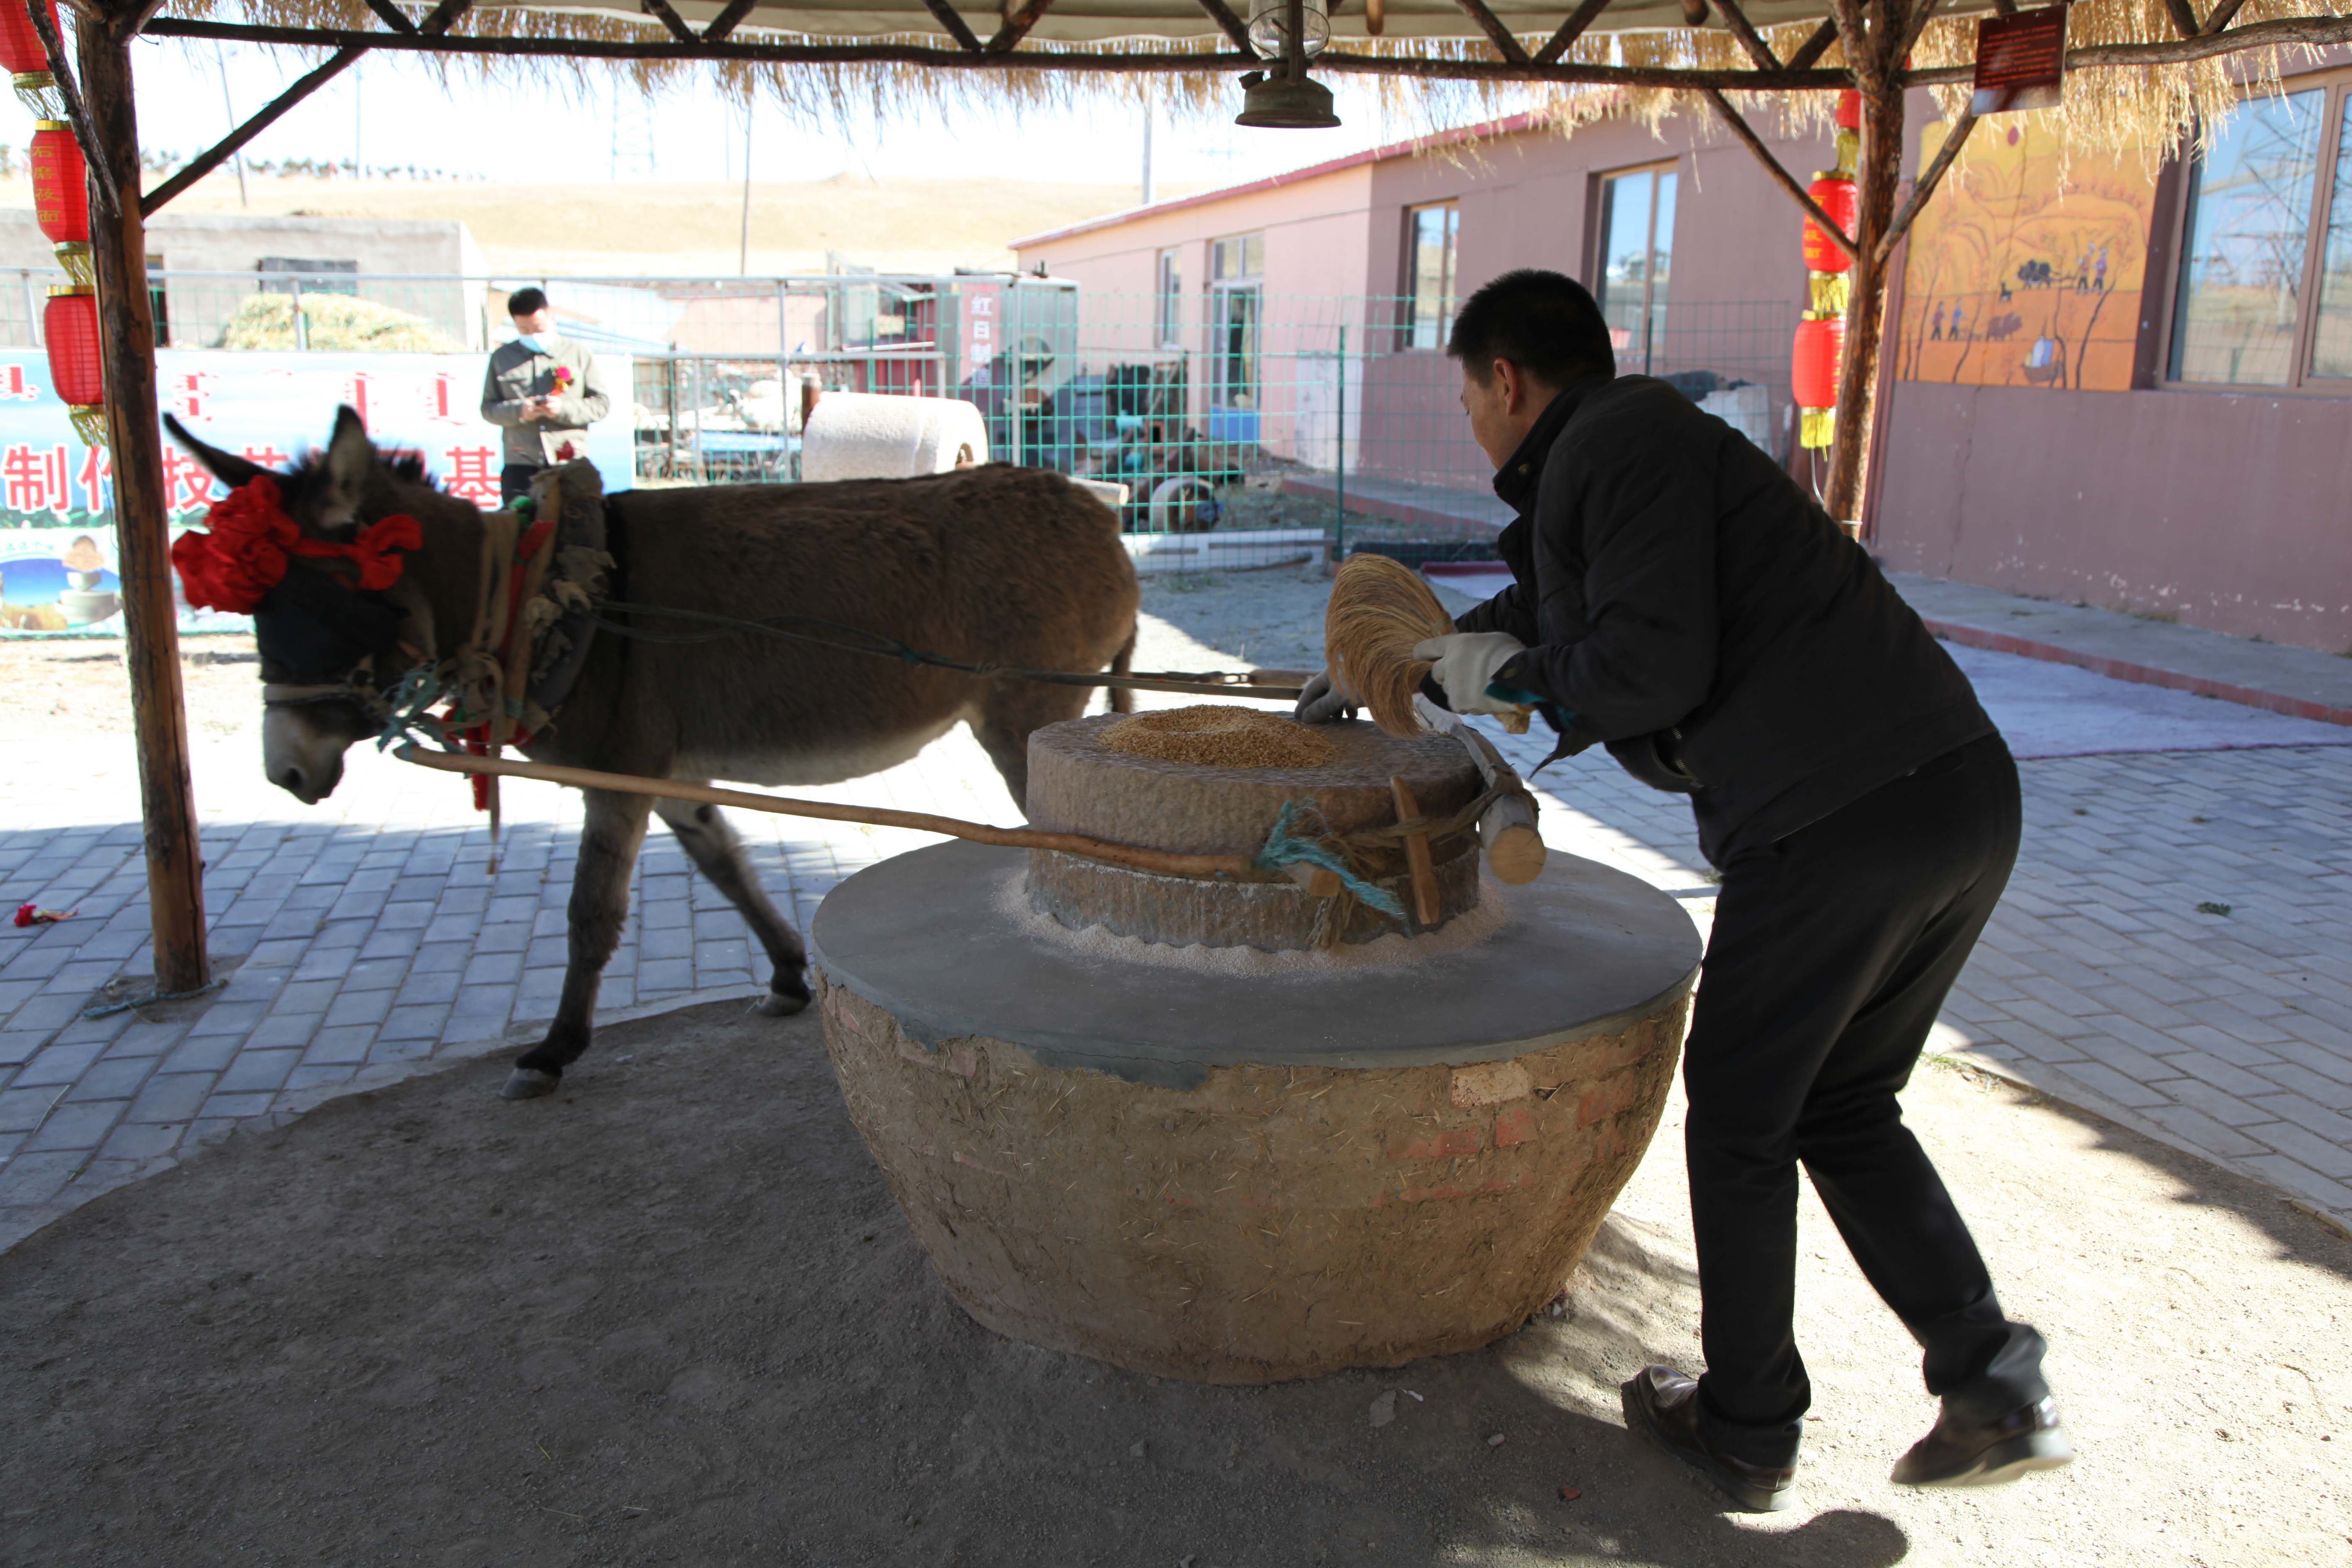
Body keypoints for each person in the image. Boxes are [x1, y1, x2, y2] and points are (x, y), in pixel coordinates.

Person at [1296, 269, 2071, 1513]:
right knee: (1843, 1103)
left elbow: (1643, 665)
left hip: (1837, 815)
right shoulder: (1631, 454)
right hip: (1955, 797)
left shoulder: (1618, 437)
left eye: (1466, 396)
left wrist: (1516, 677)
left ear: (1507, 379)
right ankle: (1991, 1376)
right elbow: (1553, 614)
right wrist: (1395, 669)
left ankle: (1750, 1423)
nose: (1473, 422)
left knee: (1743, 1113)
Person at [480, 286, 612, 506]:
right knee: (520, 530)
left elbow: (601, 405)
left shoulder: (578, 354)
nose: (533, 335)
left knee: (577, 528)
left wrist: (563, 409)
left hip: (569, 460)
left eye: (538, 328)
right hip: (521, 461)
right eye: (524, 329)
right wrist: (519, 411)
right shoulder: (502, 358)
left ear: (553, 316)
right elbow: (488, 409)